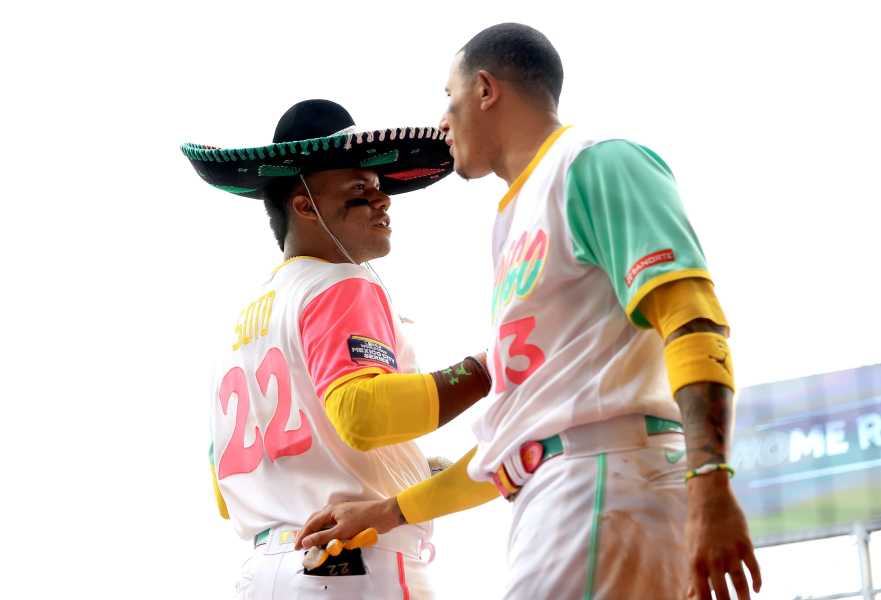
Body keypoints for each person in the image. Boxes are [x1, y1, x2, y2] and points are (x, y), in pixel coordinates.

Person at [298, 24, 763, 600]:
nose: (443, 119)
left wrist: (710, 482)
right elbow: (521, 438)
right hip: (563, 491)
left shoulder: (594, 163)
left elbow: (694, 321)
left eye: (450, 95)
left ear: (486, 89)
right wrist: (390, 510)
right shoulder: (511, 220)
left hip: (604, 481)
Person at [182, 99, 493, 599]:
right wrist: (485, 369)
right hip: (353, 562)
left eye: (379, 187)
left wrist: (411, 466)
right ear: (305, 205)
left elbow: (227, 493)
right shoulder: (341, 283)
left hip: (262, 574)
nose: (383, 200)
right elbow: (362, 414)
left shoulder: (241, 327)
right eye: (360, 190)